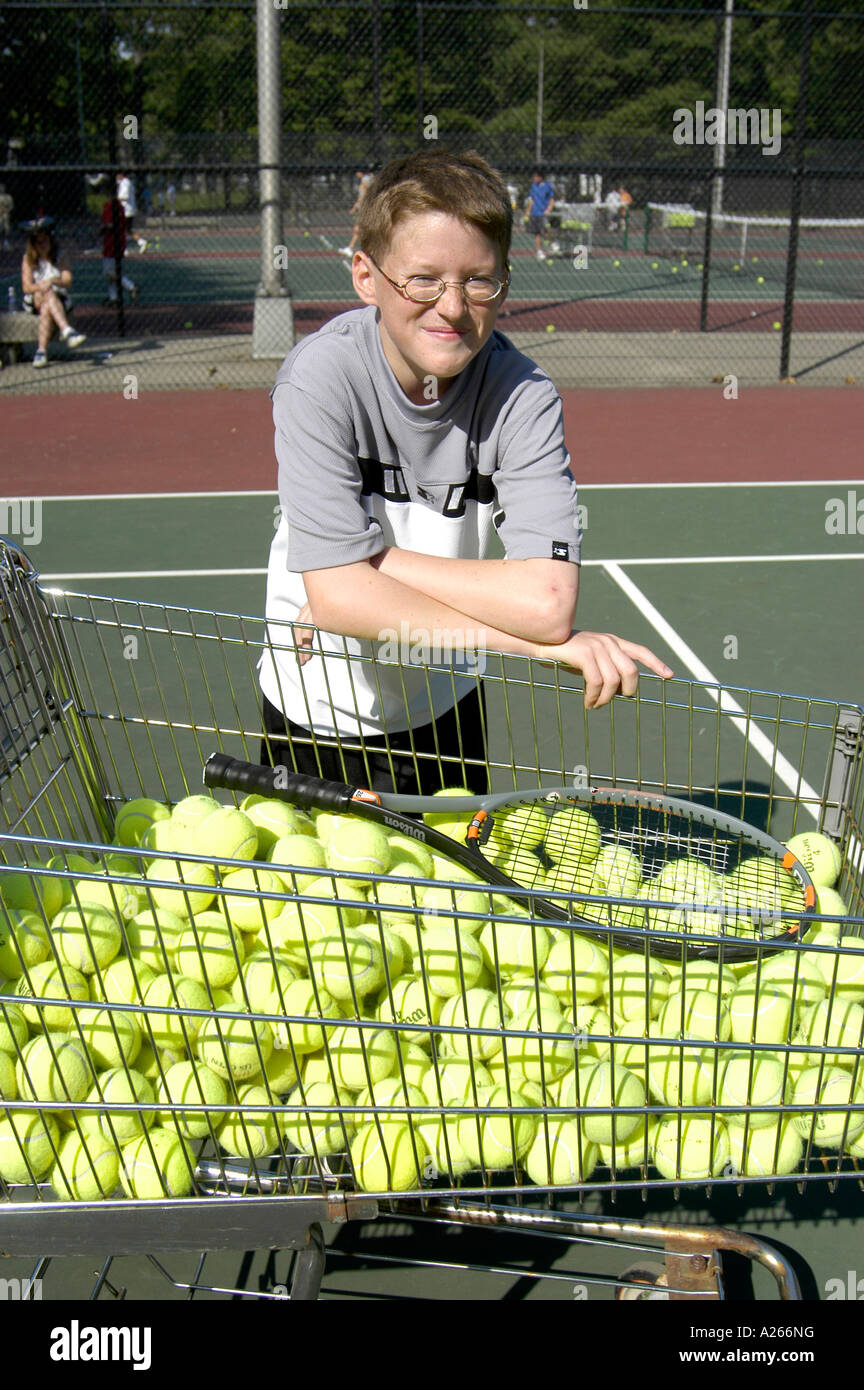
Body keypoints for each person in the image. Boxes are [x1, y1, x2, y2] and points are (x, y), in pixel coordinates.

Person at [259, 148, 672, 793]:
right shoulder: (319, 377)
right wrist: (535, 647)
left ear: (505, 279)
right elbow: (338, 599)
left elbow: (546, 602)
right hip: (312, 716)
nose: (451, 306)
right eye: (422, 279)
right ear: (366, 277)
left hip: (445, 712)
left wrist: (369, 565)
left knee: (455, 896)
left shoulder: (522, 396)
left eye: (479, 280)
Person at [20, 221, 86, 368]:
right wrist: (40, 286)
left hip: (58, 298)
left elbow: (67, 281)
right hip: (35, 298)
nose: (42, 245)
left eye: (45, 241)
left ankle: (41, 352)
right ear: (33, 245)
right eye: (39, 243)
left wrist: (52, 281)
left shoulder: (60, 256)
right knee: (45, 296)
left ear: (50, 241)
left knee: (46, 307)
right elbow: (26, 287)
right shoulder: (28, 259)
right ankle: (67, 330)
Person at [100, 192, 139, 306]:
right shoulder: (120, 207)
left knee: (109, 272)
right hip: (119, 241)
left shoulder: (110, 206)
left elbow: (109, 224)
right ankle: (114, 297)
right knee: (113, 270)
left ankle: (131, 286)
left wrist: (102, 228)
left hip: (112, 242)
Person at [340, 169, 374, 257]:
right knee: (358, 229)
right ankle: (351, 248)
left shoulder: (365, 180)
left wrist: (357, 206)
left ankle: (352, 248)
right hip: (364, 207)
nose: (356, 174)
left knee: (358, 229)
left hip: (365, 208)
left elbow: (364, 195)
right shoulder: (367, 179)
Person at [525, 169, 555, 261]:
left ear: (540, 177)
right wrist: (528, 211)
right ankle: (539, 251)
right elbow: (532, 200)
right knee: (537, 233)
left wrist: (549, 208)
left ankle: (552, 242)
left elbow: (551, 199)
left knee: (545, 231)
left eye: (535, 177)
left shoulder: (547, 186)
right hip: (535, 213)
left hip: (543, 213)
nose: (534, 178)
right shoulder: (533, 187)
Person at [116, 171, 147, 252]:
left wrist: (117, 199)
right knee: (128, 230)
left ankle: (124, 249)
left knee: (121, 229)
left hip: (126, 210)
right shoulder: (127, 182)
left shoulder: (125, 183)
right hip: (127, 210)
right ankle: (141, 242)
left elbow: (125, 197)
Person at [0, 183, 12, 250]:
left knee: (6, 229)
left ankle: (6, 242)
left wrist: (6, 210)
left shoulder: (8, 197)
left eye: (2, 187)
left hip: (6, 215)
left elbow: (11, 206)